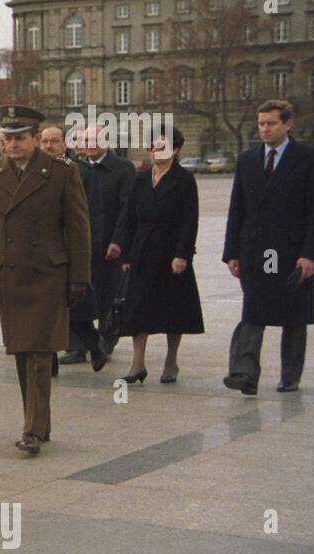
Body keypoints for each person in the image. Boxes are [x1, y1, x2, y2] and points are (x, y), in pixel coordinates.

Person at [0, 105, 91, 455]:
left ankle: (33, 429)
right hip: (9, 274)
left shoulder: (61, 172)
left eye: (20, 138)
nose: (12, 145)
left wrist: (79, 277)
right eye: (7, 138)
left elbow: (78, 227)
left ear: (37, 139)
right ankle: (38, 423)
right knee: (22, 353)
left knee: (40, 353)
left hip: (48, 274)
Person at [222, 99, 314, 395]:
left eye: (271, 123)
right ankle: (245, 374)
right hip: (256, 251)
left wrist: (309, 255)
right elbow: (236, 208)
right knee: (253, 310)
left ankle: (290, 376)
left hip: (291, 252)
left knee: (293, 315)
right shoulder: (248, 159)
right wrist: (232, 252)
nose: (264, 129)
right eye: (261, 123)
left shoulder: (310, 159)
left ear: (287, 124)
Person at [115, 128, 203, 383]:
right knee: (136, 309)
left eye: (162, 146)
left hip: (171, 252)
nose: (156, 151)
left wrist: (182, 254)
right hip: (143, 251)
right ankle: (137, 364)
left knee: (173, 309)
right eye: (152, 146)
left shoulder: (183, 179)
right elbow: (129, 217)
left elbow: (190, 220)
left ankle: (171, 361)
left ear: (175, 150)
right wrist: (126, 254)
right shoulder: (140, 178)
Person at [41, 125, 107, 372]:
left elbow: (93, 214)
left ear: (64, 145)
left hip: (71, 249)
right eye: (44, 141)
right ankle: (50, 362)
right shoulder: (31, 171)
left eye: (54, 141)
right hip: (42, 252)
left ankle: (93, 343)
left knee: (76, 306)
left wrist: (90, 249)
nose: (49, 146)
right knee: (45, 309)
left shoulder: (80, 172)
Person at [83, 124, 136, 356]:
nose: (90, 145)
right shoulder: (78, 168)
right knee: (81, 293)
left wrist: (118, 241)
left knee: (107, 293)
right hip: (82, 241)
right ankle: (79, 342)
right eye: (86, 140)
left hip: (108, 243)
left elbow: (128, 208)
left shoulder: (123, 168)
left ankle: (107, 337)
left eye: (96, 139)